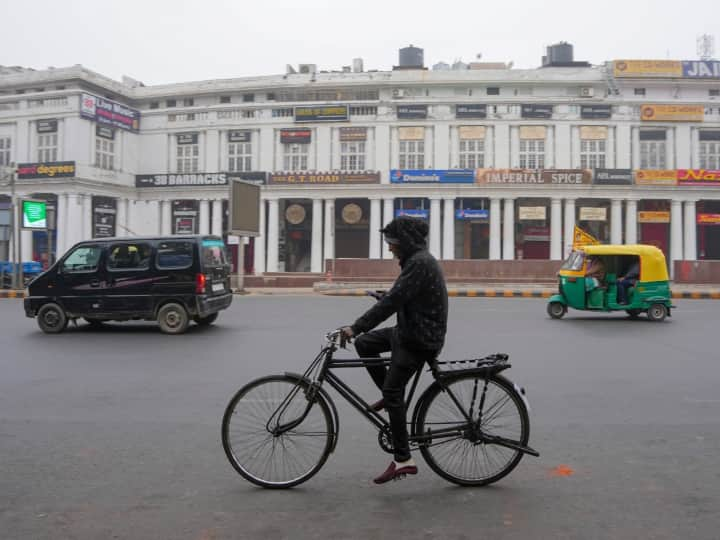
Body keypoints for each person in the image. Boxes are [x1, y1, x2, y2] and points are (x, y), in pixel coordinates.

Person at [340, 216, 448, 485]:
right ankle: (391, 401)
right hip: (409, 330)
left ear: (406, 242)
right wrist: (384, 298)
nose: (390, 248)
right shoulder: (415, 261)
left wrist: (356, 327)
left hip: (420, 338)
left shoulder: (420, 263)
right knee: (365, 345)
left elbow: (394, 302)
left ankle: (404, 459)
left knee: (392, 389)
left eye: (393, 243)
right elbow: (401, 296)